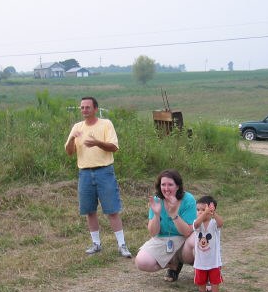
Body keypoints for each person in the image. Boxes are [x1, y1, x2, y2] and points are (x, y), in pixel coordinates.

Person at [65, 96, 131, 258]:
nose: (84, 110)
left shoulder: (106, 124)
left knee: (112, 209)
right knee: (89, 210)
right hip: (85, 173)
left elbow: (114, 147)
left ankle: (122, 245)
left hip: (104, 171)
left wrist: (97, 143)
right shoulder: (77, 127)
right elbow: (69, 152)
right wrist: (73, 138)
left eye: (87, 107)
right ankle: (96, 244)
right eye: (82, 107)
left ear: (95, 109)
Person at [135, 169, 197, 282]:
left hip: (185, 239)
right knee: (142, 262)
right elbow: (153, 233)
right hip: (163, 239)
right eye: (163, 184)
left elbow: (188, 232)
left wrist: (174, 214)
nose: (166, 188)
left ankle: (203, 273)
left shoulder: (188, 199)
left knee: (196, 242)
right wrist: (157, 215)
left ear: (178, 186)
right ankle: (173, 265)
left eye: (170, 185)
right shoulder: (156, 200)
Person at [192, 195, 224, 292]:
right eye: (198, 210)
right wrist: (204, 214)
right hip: (200, 259)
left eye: (203, 209)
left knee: (214, 277)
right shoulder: (197, 224)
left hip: (213, 259)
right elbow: (196, 225)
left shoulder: (214, 224)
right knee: (201, 277)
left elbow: (221, 223)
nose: (200, 212)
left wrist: (213, 214)